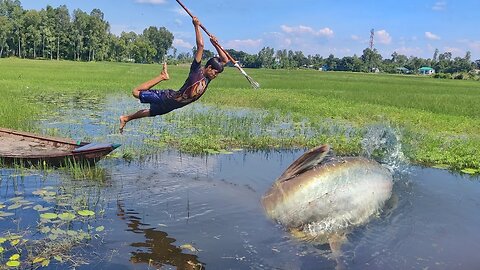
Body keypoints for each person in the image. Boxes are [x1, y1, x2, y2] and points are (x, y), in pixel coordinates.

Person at [119, 16, 229, 133]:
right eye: (215, 72)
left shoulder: (208, 78)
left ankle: (125, 118)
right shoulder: (196, 70)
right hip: (168, 98)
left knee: (150, 112)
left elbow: (225, 60)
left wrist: (215, 44)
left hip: (173, 105)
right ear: (209, 67)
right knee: (136, 92)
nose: (215, 75)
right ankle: (162, 76)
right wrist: (196, 26)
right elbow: (201, 46)